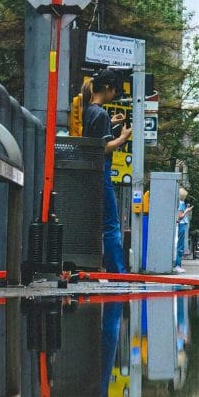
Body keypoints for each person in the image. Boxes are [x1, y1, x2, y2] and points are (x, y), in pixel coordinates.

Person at [81, 69, 132, 273]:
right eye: (114, 90)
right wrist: (123, 137)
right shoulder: (100, 113)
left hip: (91, 171)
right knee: (112, 224)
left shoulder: (89, 110)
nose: (115, 95)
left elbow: (93, 137)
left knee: (102, 221)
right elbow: (102, 147)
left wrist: (111, 123)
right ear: (108, 88)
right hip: (102, 170)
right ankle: (117, 270)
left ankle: (113, 268)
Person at [174, 188, 191, 272]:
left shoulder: (177, 202)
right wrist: (187, 210)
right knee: (180, 245)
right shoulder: (181, 203)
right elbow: (180, 216)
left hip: (180, 225)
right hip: (181, 225)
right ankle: (177, 265)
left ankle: (177, 265)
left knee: (178, 245)